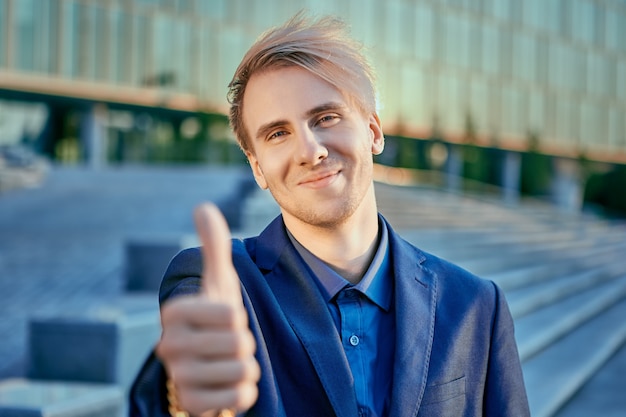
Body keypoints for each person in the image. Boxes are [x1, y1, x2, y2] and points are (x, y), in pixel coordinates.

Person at [130, 13, 530, 417]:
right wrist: (184, 397)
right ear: (257, 168)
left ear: (373, 130)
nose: (310, 150)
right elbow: (183, 376)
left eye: (325, 118)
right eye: (277, 134)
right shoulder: (216, 284)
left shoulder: (475, 306)